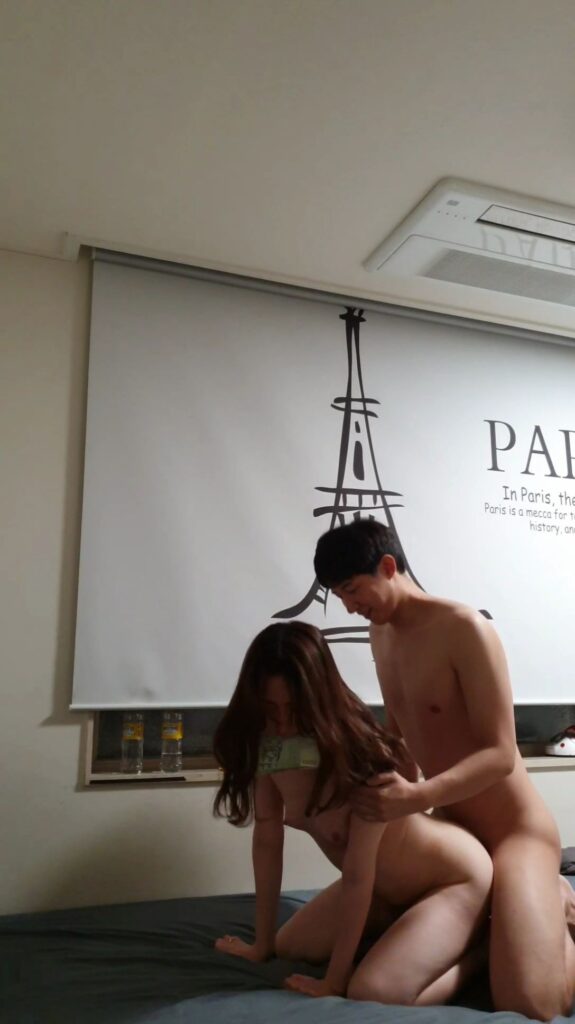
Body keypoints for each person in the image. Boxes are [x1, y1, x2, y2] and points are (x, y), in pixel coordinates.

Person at [314, 518, 575, 1020]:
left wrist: (415, 797)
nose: (349, 606)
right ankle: (489, 940)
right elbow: (400, 735)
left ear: (388, 567)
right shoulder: (380, 634)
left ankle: (555, 899)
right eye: (339, 596)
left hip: (515, 832)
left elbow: (501, 754)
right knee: (305, 943)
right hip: (454, 835)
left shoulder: (465, 628)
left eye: (352, 589)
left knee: (530, 1004)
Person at [213, 621, 492, 1005]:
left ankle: (482, 952)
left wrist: (335, 980)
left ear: (318, 700)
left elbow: (358, 876)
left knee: (372, 991)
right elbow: (266, 840)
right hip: (382, 889)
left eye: (293, 710)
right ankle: (404, 931)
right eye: (270, 709)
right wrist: (261, 945)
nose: (283, 725)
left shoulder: (362, 760)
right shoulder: (272, 747)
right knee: (290, 945)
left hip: (451, 880)